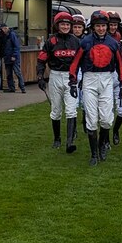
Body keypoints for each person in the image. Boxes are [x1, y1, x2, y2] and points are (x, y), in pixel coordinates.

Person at [73, 10, 122, 165]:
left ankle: (102, 143)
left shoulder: (113, 43)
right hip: (89, 79)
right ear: (93, 26)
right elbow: (75, 63)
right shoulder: (85, 42)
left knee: (107, 119)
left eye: (103, 26)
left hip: (107, 79)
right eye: (98, 26)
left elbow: (121, 66)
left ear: (107, 26)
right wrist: (72, 81)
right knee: (91, 118)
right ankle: (94, 154)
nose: (101, 29)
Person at [37, 11, 82, 152]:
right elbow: (41, 60)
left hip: (71, 77)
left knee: (71, 110)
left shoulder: (76, 41)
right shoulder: (50, 42)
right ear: (57, 25)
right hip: (55, 76)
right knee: (56, 110)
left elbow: (81, 60)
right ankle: (57, 139)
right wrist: (40, 77)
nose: (65, 27)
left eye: (67, 24)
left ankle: (70, 142)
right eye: (62, 24)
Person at [1, 24, 25, 93]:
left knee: (17, 73)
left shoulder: (12, 34)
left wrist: (14, 55)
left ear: (5, 28)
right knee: (9, 74)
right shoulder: (8, 35)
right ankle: (12, 88)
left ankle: (22, 88)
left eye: (2, 29)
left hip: (12, 57)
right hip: (8, 56)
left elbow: (16, 46)